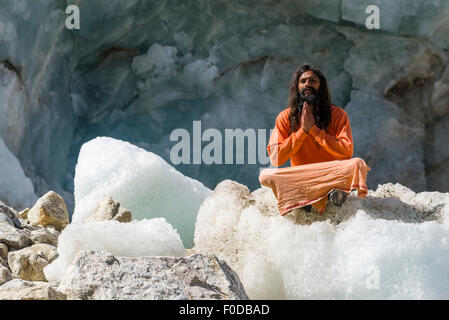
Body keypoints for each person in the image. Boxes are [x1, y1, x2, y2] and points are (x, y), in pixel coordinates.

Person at [266, 64, 355, 212]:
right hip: (303, 179)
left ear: (321, 86)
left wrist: (314, 131)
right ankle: (304, 199)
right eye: (303, 81)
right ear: (297, 86)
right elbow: (275, 158)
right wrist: (302, 132)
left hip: (331, 177)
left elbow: (347, 151)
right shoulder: (285, 118)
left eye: (313, 81)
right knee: (267, 176)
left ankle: (335, 195)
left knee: (356, 164)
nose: (307, 84)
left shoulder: (338, 115)